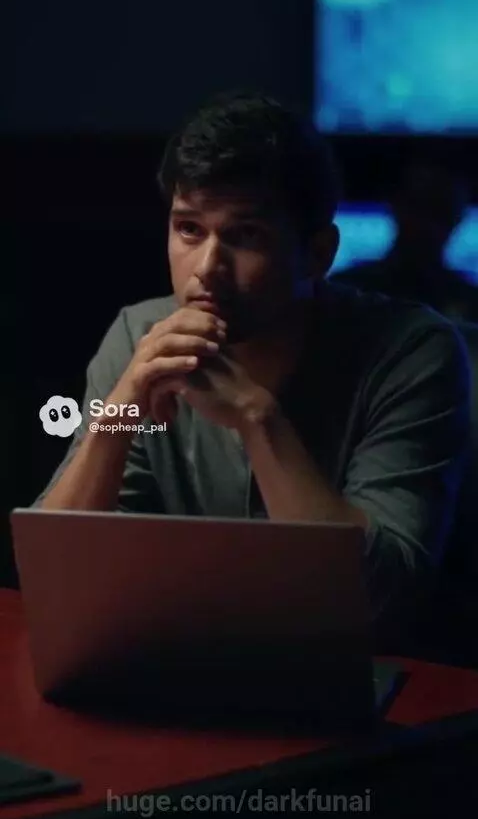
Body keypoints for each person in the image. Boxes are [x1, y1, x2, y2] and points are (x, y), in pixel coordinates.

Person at [35, 91, 470, 649]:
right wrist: (116, 418)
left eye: (245, 236)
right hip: (179, 657)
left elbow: (376, 607)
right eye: (189, 229)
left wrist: (256, 416)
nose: (207, 268)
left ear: (317, 254)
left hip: (351, 683)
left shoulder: (415, 352)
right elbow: (58, 574)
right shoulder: (138, 337)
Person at [330, 161, 478, 323]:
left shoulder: (471, 302)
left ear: (458, 218)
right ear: (397, 206)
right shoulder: (346, 291)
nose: (428, 223)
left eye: (440, 211)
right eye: (420, 206)